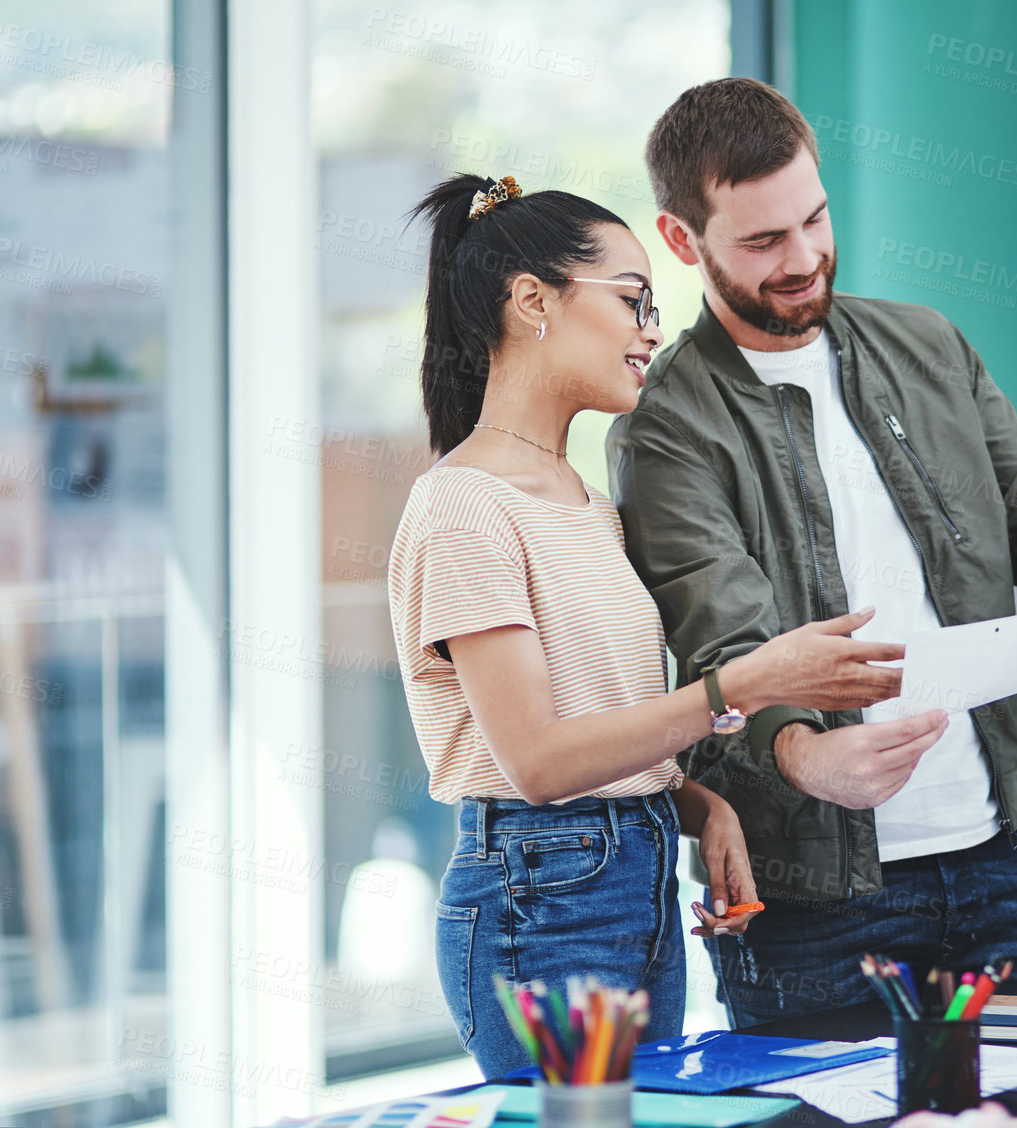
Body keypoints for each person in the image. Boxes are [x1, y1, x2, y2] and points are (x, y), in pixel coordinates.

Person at [607, 78, 1017, 1028]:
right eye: (761, 242)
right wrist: (800, 755)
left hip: (1003, 856)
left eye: (814, 219)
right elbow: (720, 637)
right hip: (817, 903)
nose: (804, 256)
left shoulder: (927, 345)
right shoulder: (664, 429)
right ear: (680, 241)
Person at [386, 172, 940, 1077]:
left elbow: (598, 734)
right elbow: (538, 762)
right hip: (543, 894)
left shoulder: (583, 501)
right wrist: (743, 685)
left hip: (622, 876)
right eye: (633, 300)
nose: (653, 329)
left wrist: (698, 804)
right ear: (533, 300)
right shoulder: (463, 510)